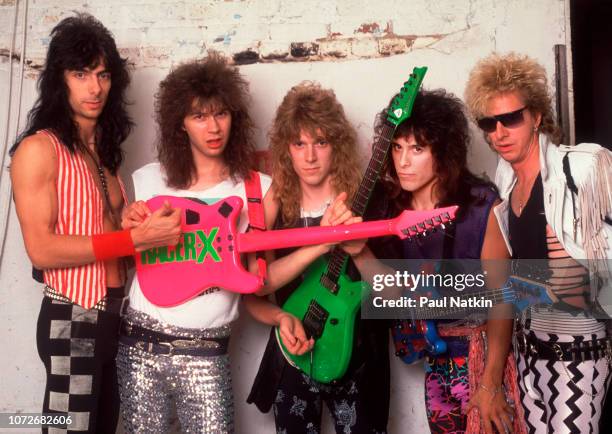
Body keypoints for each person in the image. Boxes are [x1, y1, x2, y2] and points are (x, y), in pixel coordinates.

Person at [9, 13, 181, 434]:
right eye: (81, 73)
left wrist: (130, 221)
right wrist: (130, 241)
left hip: (115, 313)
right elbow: (42, 249)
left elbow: (100, 223)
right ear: (59, 80)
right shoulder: (39, 149)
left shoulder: (101, 152)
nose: (94, 87)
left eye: (103, 75)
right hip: (73, 313)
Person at [348, 89, 525, 434]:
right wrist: (360, 252)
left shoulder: (479, 205)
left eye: (417, 148)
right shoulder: (389, 209)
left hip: (481, 355)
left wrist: (490, 383)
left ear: (442, 151)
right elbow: (395, 294)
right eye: (397, 147)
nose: (403, 161)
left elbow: (503, 300)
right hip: (435, 362)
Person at [116, 52, 274, 434]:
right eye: (199, 116)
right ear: (181, 125)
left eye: (221, 113)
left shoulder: (258, 190)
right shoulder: (148, 180)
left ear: (234, 117)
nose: (213, 126)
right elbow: (122, 258)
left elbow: (260, 278)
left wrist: (321, 245)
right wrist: (128, 228)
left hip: (207, 355)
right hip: (139, 346)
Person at [465, 52, 612, 433]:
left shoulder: (582, 167)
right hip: (529, 355)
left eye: (511, 118)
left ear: (537, 117)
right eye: (489, 122)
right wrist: (491, 379)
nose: (499, 132)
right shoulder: (507, 190)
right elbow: (502, 292)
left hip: (578, 354)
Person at [245, 82, 391, 433]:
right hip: (294, 351)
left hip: (359, 357)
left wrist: (362, 249)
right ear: (286, 149)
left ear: (337, 145)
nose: (309, 156)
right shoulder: (275, 203)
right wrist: (281, 317)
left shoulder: (369, 198)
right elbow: (254, 285)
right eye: (299, 144)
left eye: (321, 142)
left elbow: (396, 296)